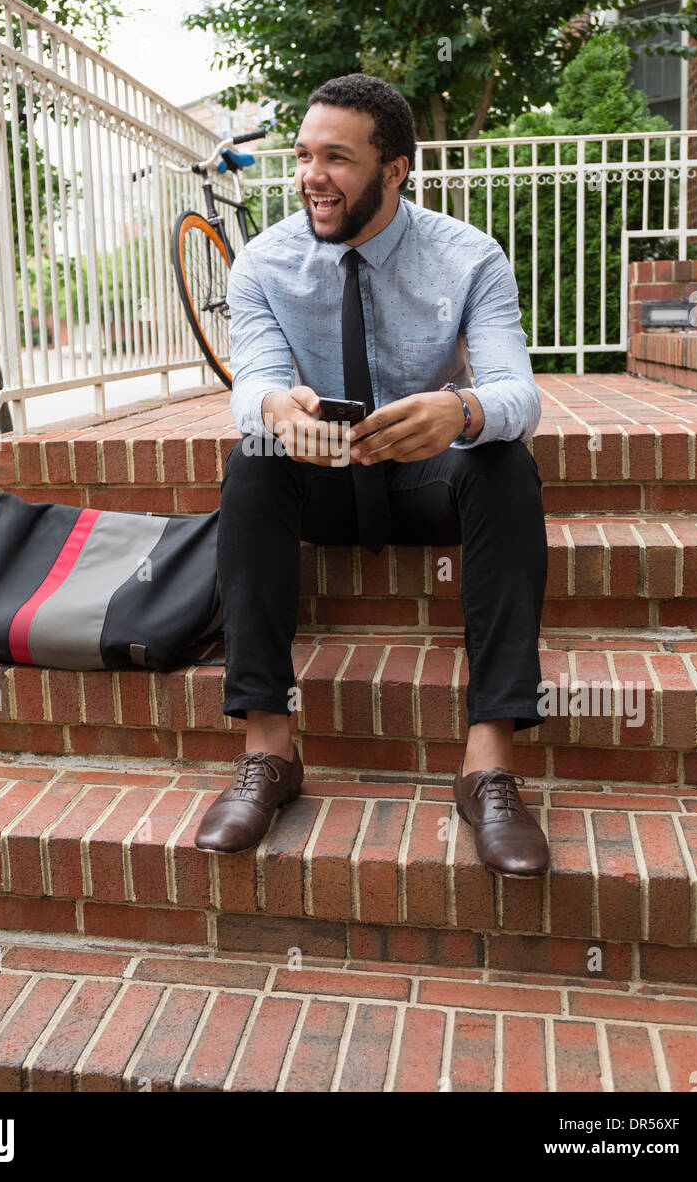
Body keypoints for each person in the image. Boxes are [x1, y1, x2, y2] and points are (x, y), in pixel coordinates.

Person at [195, 73, 549, 878]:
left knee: (505, 466)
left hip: (427, 479)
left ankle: (487, 765)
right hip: (323, 476)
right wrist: (276, 410)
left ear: (395, 170)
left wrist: (458, 413)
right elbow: (251, 381)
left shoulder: (468, 257)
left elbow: (517, 392)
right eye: (304, 156)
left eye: (336, 159)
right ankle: (268, 753)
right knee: (252, 463)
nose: (311, 177)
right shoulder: (263, 263)